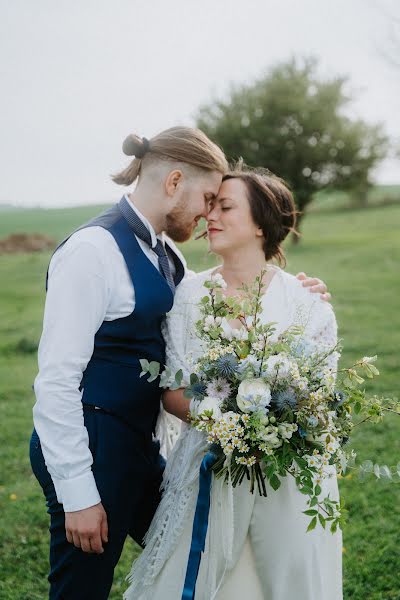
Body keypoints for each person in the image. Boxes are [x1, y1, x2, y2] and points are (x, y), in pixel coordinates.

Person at [29, 126, 331, 600]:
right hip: (92, 450)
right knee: (80, 589)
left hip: (142, 451)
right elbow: (56, 382)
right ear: (173, 182)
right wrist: (79, 494)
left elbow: (227, 292)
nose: (208, 213)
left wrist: (295, 292)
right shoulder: (91, 252)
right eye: (208, 197)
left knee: (195, 553)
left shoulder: (168, 255)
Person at [124, 166, 342, 600]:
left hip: (290, 475)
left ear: (261, 223)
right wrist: (232, 428)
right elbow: (173, 392)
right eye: (210, 207)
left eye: (225, 207)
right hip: (211, 466)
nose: (211, 218)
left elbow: (320, 397)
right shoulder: (188, 296)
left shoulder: (307, 303)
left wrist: (272, 430)